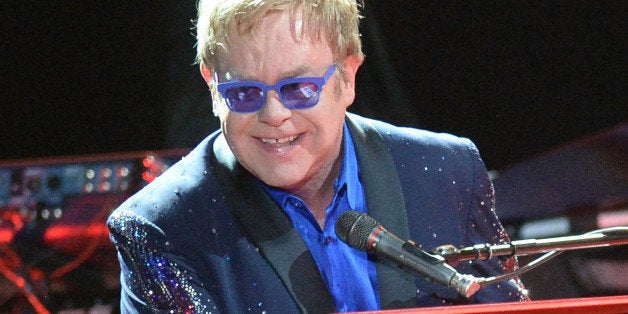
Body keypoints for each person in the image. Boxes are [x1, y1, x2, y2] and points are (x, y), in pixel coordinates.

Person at [107, 0, 529, 312]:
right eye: (244, 92)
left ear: (347, 77)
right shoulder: (161, 227)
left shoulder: (445, 170)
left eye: (299, 88)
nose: (274, 115)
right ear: (212, 86)